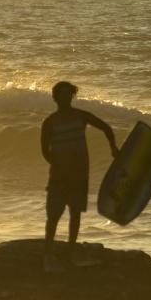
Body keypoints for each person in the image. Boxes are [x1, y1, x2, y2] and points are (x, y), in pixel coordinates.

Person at [41, 81, 118, 254]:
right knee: (53, 216)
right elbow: (45, 151)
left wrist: (113, 147)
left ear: (72, 96)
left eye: (69, 94)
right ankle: (47, 252)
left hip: (79, 174)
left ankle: (71, 250)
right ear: (55, 98)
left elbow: (106, 127)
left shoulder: (81, 116)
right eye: (62, 94)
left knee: (75, 214)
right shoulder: (50, 123)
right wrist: (59, 166)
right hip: (59, 176)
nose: (65, 97)